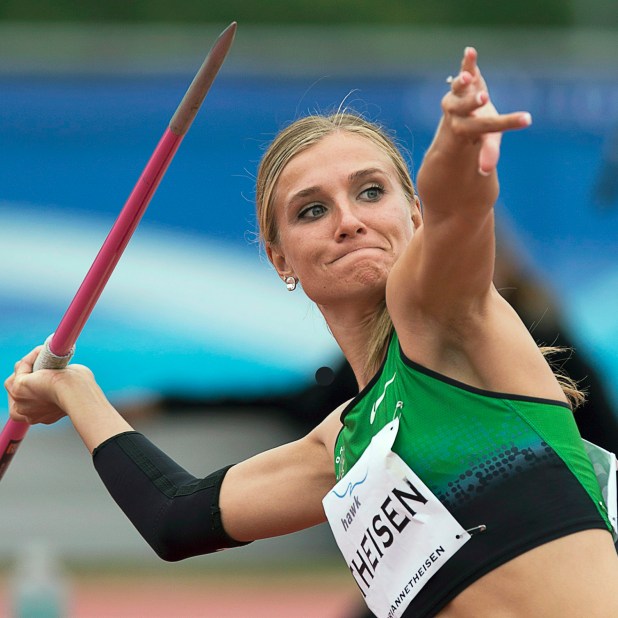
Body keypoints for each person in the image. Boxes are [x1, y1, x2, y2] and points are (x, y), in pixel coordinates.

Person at [6, 47, 618, 617]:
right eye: (312, 210)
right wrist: (75, 391)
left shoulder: (445, 318)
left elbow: (459, 206)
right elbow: (176, 517)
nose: (348, 221)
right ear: (280, 260)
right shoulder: (345, 446)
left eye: (371, 192)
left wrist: (459, 145)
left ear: (412, 214)